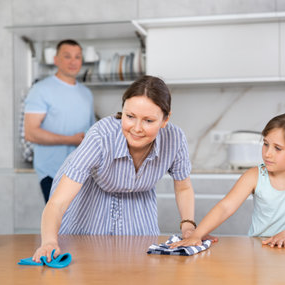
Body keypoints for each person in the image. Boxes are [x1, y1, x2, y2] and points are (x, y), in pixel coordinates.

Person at [32, 75, 200, 262]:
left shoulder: (174, 139)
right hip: (89, 203)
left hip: (138, 206)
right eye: (130, 116)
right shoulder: (100, 137)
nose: (137, 128)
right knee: (85, 265)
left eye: (148, 121)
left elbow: (183, 187)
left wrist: (188, 226)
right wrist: (48, 242)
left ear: (165, 120)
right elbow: (57, 203)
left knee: (141, 267)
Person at [171, 113, 285, 249]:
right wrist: (196, 235)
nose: (268, 154)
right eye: (266, 144)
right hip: (260, 248)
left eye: (277, 148)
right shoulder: (255, 175)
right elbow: (225, 207)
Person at [24, 39, 96, 203]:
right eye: (67, 56)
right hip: (52, 173)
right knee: (60, 225)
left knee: (83, 226)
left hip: (82, 172)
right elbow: (31, 133)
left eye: (77, 57)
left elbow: (92, 132)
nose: (73, 61)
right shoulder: (41, 90)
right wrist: (70, 140)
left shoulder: (86, 94)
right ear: (56, 60)